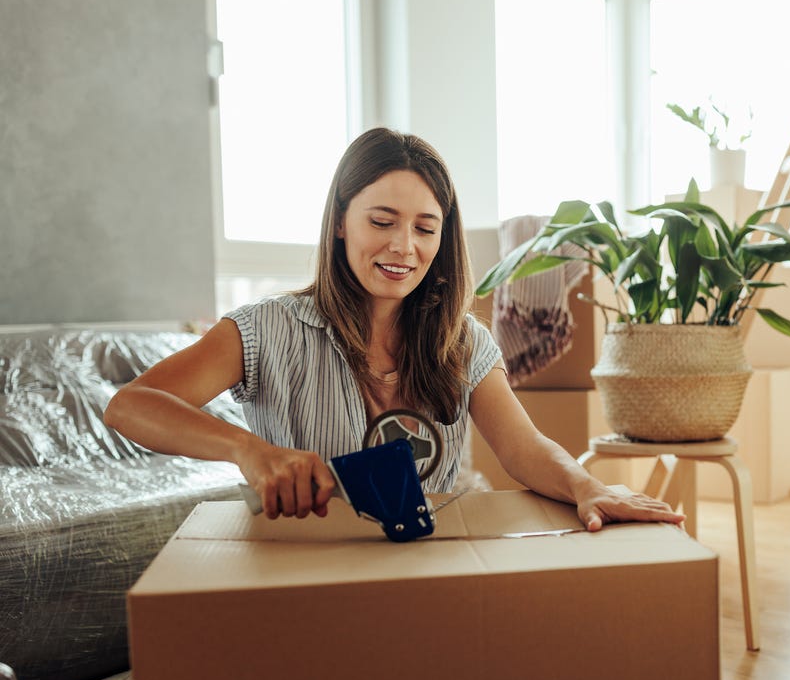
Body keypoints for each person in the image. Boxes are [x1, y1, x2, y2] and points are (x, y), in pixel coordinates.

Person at [104, 128, 684, 532]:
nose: (404, 247)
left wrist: (589, 487)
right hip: (308, 564)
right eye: (381, 221)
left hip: (430, 557)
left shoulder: (464, 342)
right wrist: (248, 450)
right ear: (339, 223)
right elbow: (131, 406)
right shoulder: (268, 328)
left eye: (425, 229)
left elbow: (523, 448)